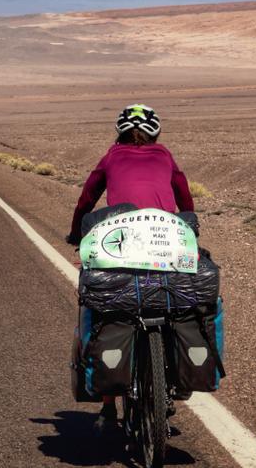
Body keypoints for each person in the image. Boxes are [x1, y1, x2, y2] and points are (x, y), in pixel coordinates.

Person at [66, 104, 196, 433]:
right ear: (156, 132)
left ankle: (108, 402)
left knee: (103, 302)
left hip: (121, 244)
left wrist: (75, 232)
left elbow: (87, 197)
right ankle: (172, 373)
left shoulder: (112, 156)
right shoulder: (165, 156)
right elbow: (185, 196)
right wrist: (189, 226)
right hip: (165, 242)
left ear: (119, 132)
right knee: (172, 298)